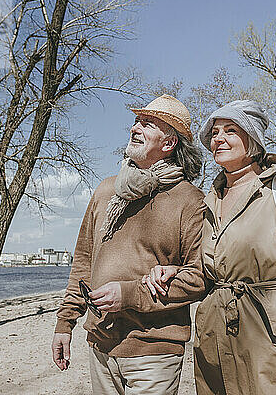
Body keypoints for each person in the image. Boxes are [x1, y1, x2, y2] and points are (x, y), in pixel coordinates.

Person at [143, 100, 276, 394]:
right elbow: (218, 265)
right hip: (217, 343)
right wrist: (174, 271)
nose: (218, 138)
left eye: (230, 130)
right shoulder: (208, 201)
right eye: (214, 132)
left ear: (252, 139)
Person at [51, 94, 207, 395]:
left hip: (155, 351)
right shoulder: (107, 190)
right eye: (136, 121)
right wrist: (65, 322)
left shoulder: (190, 200)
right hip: (99, 343)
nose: (135, 127)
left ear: (169, 143)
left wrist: (129, 294)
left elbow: (200, 276)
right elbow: (83, 261)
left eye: (147, 124)